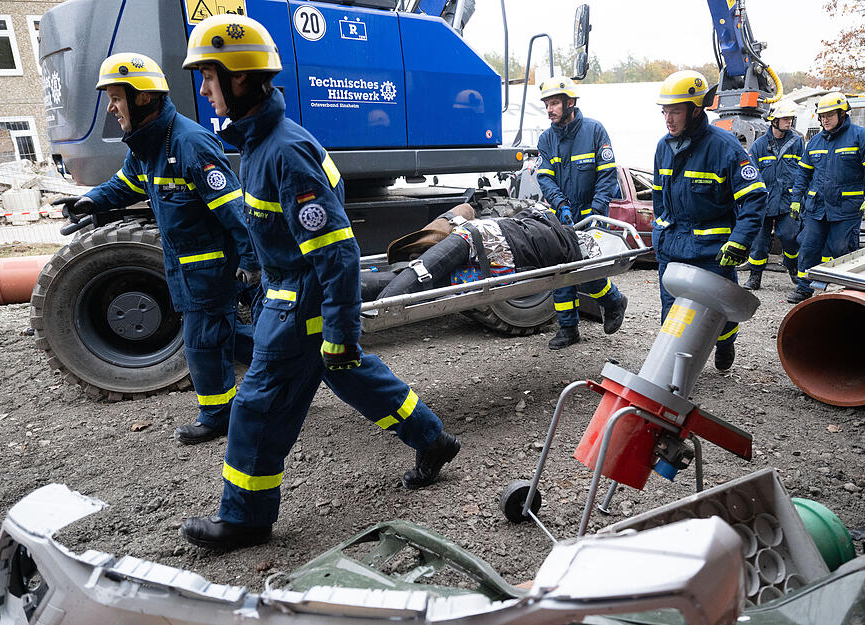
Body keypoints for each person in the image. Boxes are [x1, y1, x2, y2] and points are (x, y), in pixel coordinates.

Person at [178, 14, 460, 550]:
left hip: (300, 308)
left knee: (256, 407)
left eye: (210, 77)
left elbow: (338, 254)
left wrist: (340, 333)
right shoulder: (264, 144)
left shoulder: (283, 152)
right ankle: (434, 440)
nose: (205, 89)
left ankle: (245, 517)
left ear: (240, 77)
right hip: (293, 297)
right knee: (355, 377)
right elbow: (285, 234)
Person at [52, 53, 258, 445]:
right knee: (226, 338)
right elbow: (126, 185)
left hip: (211, 270)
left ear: (143, 97)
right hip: (184, 270)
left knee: (201, 345)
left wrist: (251, 265)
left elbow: (237, 214)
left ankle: (219, 417)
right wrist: (91, 201)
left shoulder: (190, 144)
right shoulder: (146, 146)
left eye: (116, 98)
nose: (111, 108)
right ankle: (290, 372)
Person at [652, 70, 767, 371]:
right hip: (673, 248)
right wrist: (660, 230)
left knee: (719, 313)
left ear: (696, 109)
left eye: (675, 111)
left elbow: (754, 196)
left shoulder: (725, 146)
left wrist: (740, 242)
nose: (668, 119)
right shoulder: (664, 147)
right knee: (672, 313)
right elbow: (658, 198)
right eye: (665, 111)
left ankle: (725, 342)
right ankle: (677, 370)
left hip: (713, 252)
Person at [377, 204, 623, 310]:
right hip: (489, 250)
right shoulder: (569, 254)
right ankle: (377, 307)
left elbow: (524, 215)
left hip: (483, 237)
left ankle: (376, 305)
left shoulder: (549, 224)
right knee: (426, 277)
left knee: (421, 274)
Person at [535, 77, 628, 349]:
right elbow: (545, 178)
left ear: (570, 103)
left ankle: (613, 302)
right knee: (561, 271)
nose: (549, 109)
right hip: (563, 216)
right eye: (547, 104)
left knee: (590, 269)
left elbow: (607, 175)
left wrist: (597, 211)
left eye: (554, 103)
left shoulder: (595, 131)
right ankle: (568, 329)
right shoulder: (546, 139)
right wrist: (560, 204)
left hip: (593, 215)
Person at [788, 92, 865, 304]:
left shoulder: (863, 137)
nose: (825, 120)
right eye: (822, 116)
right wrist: (796, 198)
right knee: (808, 246)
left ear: (842, 113)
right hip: (816, 207)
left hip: (846, 208)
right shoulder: (814, 142)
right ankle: (804, 288)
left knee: (841, 249)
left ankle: (841, 291)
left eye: (830, 115)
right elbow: (803, 173)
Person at [743, 100, 804, 290]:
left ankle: (793, 268)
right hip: (765, 202)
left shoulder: (797, 143)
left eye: (791, 118)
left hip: (788, 201)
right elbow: (750, 175)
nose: (789, 122)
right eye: (785, 118)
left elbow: (804, 170)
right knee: (759, 241)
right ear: (774, 120)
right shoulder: (760, 145)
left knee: (790, 236)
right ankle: (755, 276)